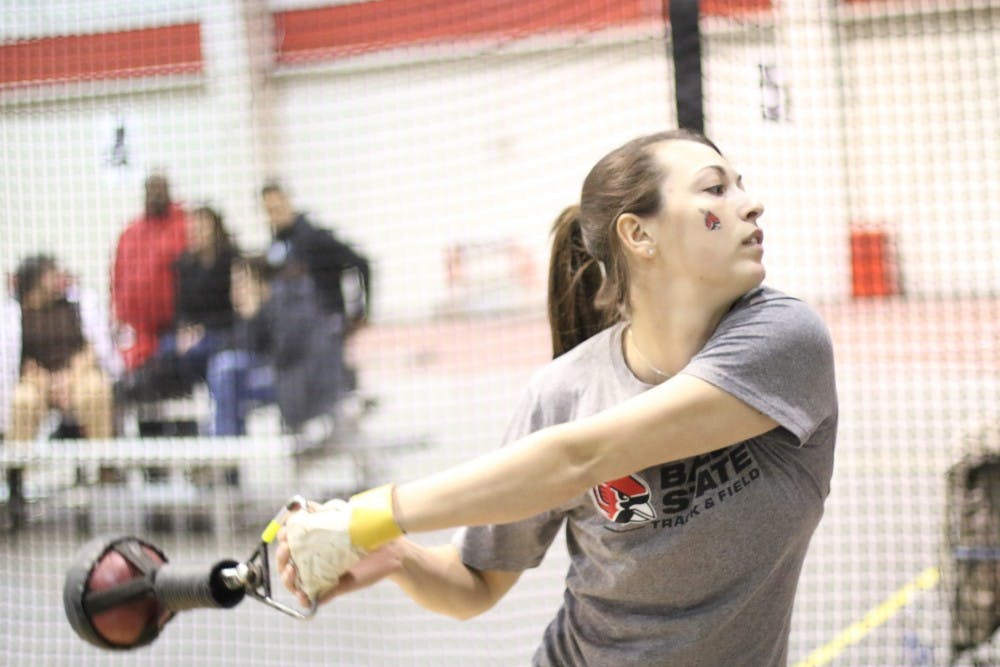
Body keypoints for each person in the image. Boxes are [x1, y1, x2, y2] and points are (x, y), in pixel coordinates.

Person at [275, 129, 839, 666]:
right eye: (716, 189)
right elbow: (475, 586)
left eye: (740, 183)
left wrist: (369, 514)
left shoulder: (783, 341)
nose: (751, 202)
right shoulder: (564, 392)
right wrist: (397, 553)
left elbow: (580, 458)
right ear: (638, 235)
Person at [115, 204, 237, 403]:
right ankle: (146, 389)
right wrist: (184, 331)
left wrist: (202, 330)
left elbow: (232, 310)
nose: (196, 232)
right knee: (166, 348)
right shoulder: (185, 265)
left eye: (202, 227)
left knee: (189, 354)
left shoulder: (228, 262)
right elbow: (180, 309)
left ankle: (151, 387)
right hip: (188, 334)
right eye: (193, 227)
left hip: (219, 333)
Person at [260, 181, 371, 392]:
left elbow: (361, 264)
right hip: (293, 338)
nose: (274, 215)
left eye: (277, 208)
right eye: (268, 211)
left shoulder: (316, 237)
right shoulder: (276, 245)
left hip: (324, 331)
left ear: (288, 201)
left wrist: (360, 311)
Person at [8, 255, 116, 441]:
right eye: (52, 274)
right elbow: (18, 361)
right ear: (36, 281)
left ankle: (105, 465)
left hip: (78, 375)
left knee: (97, 388)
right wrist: (47, 383)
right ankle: (16, 467)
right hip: (36, 381)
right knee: (22, 400)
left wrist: (69, 378)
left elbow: (94, 347)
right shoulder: (13, 314)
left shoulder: (77, 304)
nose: (59, 277)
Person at [110, 172, 188, 372]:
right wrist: (117, 313)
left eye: (160, 190)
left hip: (174, 326)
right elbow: (117, 276)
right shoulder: (130, 232)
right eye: (151, 190)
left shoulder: (185, 225)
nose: (155, 195)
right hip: (138, 331)